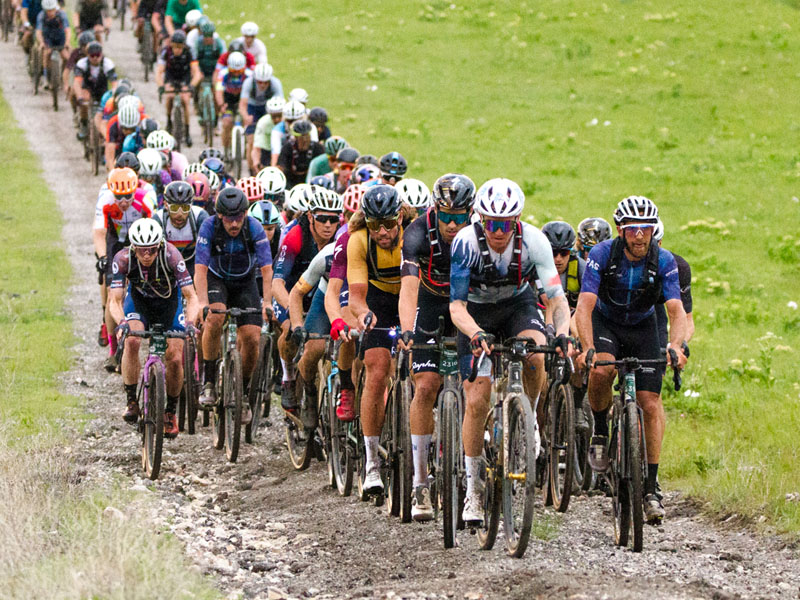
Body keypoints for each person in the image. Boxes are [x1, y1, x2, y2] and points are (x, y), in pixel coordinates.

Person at [449, 178, 573, 525]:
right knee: (477, 400)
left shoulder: (535, 241)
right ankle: (473, 491)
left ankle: (528, 416)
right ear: (480, 220)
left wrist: (562, 334)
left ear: (516, 221)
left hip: (518, 304)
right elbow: (456, 306)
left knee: (536, 354)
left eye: (504, 224)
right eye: (490, 224)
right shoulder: (465, 243)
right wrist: (475, 333)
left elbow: (557, 299)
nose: (498, 231)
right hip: (475, 311)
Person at [575, 196, 688, 524]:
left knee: (649, 404)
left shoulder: (663, 260)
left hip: (643, 326)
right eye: (633, 229)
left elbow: (676, 310)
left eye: (646, 229)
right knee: (602, 371)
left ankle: (651, 488)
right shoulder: (602, 255)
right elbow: (584, 306)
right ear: (621, 230)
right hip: (606, 321)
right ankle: (599, 430)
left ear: (654, 231)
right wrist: (586, 347)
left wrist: (677, 345)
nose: (640, 235)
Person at [398, 173, 475, 521]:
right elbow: (409, 287)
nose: (453, 224)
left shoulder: (478, 234)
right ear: (435, 210)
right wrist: (407, 330)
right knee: (426, 385)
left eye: (460, 217)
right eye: (446, 216)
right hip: (428, 302)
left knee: (475, 385)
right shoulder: (416, 233)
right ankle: (419, 482)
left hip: (466, 304)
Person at [347, 185, 414, 493]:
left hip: (413, 298)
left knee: (422, 367)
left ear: (400, 216)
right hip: (380, 301)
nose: (384, 231)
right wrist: (363, 316)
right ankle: (371, 460)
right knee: (376, 368)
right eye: (376, 225)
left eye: (389, 223)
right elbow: (357, 297)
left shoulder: (413, 236)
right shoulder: (359, 241)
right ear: (367, 222)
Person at [109, 218, 199, 437]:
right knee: (131, 341)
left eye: (151, 250)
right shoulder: (122, 259)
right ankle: (132, 400)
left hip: (170, 303)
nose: (146, 256)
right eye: (141, 251)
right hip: (139, 302)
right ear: (133, 248)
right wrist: (122, 323)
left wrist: (189, 324)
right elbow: (115, 300)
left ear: (159, 246)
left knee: (176, 357)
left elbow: (191, 296)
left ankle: (170, 411)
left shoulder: (172, 256)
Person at [195, 188, 273, 425]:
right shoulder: (209, 227)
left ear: (246, 213)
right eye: (229, 219)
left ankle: (245, 392)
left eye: (239, 217)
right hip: (216, 280)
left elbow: (267, 269)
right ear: (219, 216)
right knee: (215, 319)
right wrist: (202, 302)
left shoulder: (254, 227)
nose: (235, 224)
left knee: (252, 337)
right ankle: (209, 381)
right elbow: (200, 269)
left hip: (244, 283)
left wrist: (267, 301)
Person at [286, 190, 343, 427]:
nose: (328, 225)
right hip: (324, 292)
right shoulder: (326, 256)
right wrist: (298, 326)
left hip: (353, 298)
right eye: (323, 219)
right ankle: (308, 393)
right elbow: (296, 292)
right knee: (315, 347)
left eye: (334, 220)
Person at [93, 168, 156, 371]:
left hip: (142, 241)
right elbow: (100, 232)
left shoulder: (145, 198)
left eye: (128, 196)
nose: (123, 202)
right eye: (119, 197)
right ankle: (113, 351)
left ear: (134, 190)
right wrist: (103, 258)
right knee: (114, 292)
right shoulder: (105, 200)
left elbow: (155, 229)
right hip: (116, 242)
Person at [153, 180, 209, 276]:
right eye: (174, 208)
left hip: (194, 263)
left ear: (191, 205)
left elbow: (209, 251)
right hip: (168, 264)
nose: (180, 214)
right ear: (166, 205)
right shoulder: (158, 219)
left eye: (185, 208)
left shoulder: (200, 216)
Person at [156, 29, 198, 147]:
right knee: (170, 96)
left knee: (185, 99)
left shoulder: (190, 52)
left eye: (180, 47)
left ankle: (187, 131)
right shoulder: (165, 52)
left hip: (184, 76)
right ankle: (169, 120)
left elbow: (196, 72)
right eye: (175, 47)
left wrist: (192, 85)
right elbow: (159, 72)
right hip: (171, 76)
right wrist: (161, 86)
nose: (177, 50)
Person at [239, 62, 282, 175]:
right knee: (252, 140)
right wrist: (246, 117)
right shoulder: (248, 83)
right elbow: (243, 104)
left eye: (265, 82)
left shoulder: (275, 84)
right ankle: (251, 170)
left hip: (268, 108)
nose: (262, 85)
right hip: (252, 107)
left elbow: (280, 104)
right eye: (259, 82)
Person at [72, 40, 116, 140]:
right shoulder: (82, 64)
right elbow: (77, 82)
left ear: (101, 54)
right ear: (88, 55)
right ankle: (83, 124)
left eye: (97, 55)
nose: (95, 58)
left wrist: (114, 96)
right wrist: (79, 97)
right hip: (88, 89)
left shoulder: (107, 64)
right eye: (92, 55)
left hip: (102, 90)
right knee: (84, 99)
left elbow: (114, 84)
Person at [215, 51, 251, 160]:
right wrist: (221, 105)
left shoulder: (250, 75)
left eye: (239, 71)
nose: (236, 73)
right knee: (226, 123)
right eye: (233, 71)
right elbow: (219, 91)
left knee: (247, 120)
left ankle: (247, 144)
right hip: (228, 100)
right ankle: (226, 151)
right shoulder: (223, 73)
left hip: (243, 99)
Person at [277, 119, 324, 188]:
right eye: (301, 137)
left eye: (306, 136)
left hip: (313, 183)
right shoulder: (287, 148)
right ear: (296, 137)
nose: (305, 140)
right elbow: (281, 168)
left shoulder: (318, 148)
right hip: (291, 184)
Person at [269, 99, 317, 166]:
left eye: (297, 120)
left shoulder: (311, 127)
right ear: (284, 119)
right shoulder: (277, 130)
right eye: (290, 121)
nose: (293, 124)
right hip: (287, 160)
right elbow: (275, 154)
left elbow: (315, 148)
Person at [35, 0, 70, 90]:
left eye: (52, 10)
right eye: (48, 10)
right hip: (48, 38)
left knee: (66, 57)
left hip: (60, 38)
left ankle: (63, 76)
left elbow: (67, 30)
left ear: (55, 8)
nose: (50, 12)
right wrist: (41, 42)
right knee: (47, 53)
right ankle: (46, 77)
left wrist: (67, 42)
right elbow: (38, 31)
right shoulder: (41, 15)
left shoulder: (62, 14)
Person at [105, 95, 144, 170]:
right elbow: (110, 152)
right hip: (119, 149)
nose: (128, 132)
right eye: (125, 129)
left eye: (132, 129)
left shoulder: (144, 120)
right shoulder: (113, 123)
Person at [251, 96, 284, 172]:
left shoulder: (288, 121)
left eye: (279, 116)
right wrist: (256, 162)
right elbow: (257, 147)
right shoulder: (263, 123)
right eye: (274, 117)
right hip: (267, 150)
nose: (277, 119)